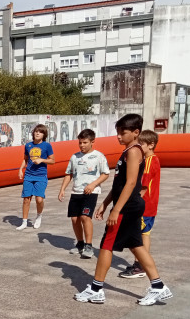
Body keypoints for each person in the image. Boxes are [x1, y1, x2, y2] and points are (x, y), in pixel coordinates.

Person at [74, 114, 172, 306]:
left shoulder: (134, 152)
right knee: (136, 245)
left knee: (106, 245)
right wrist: (105, 203)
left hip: (128, 207)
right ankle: (158, 286)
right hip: (129, 205)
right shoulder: (128, 151)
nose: (118, 136)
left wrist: (116, 210)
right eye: (117, 132)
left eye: (123, 133)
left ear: (136, 133)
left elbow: (132, 182)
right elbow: (119, 184)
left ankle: (96, 289)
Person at [58, 129, 110, 259]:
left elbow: (106, 174)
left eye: (85, 142)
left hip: (90, 192)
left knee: (85, 217)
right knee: (74, 218)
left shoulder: (99, 156)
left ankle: (88, 245)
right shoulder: (74, 157)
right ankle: (80, 243)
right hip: (76, 192)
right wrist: (62, 189)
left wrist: (93, 185)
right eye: (80, 143)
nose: (82, 145)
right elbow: (69, 174)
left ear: (92, 142)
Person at [119, 130, 160, 278]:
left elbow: (143, 186)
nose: (138, 147)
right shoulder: (154, 159)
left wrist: (133, 202)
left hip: (144, 206)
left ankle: (140, 265)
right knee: (145, 234)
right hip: (151, 206)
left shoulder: (148, 162)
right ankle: (140, 264)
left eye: (141, 144)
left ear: (151, 145)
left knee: (135, 236)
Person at [17, 124, 55, 230]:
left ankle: (39, 216)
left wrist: (42, 160)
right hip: (29, 175)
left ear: (44, 135)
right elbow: (25, 159)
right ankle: (24, 222)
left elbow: (52, 161)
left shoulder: (47, 146)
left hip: (41, 176)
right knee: (26, 199)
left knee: (39, 199)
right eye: (36, 131)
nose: (37, 133)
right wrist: (21, 169)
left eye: (40, 132)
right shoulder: (28, 145)